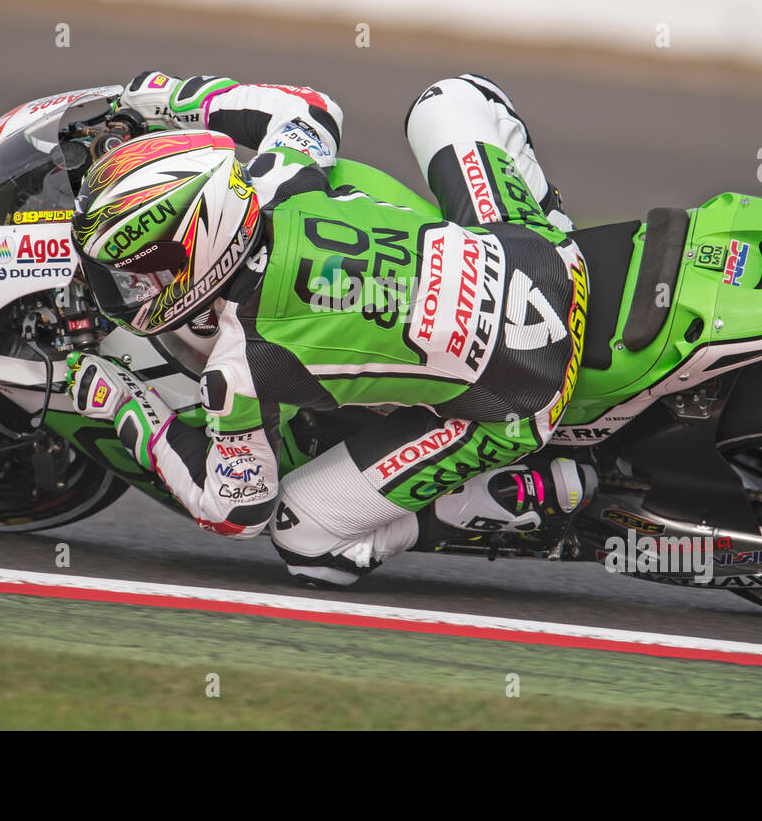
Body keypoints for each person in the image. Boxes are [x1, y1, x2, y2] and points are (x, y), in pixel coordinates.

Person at [65, 71, 592, 584]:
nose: (130, 288)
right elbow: (310, 107)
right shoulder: (281, 183)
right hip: (547, 256)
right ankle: (567, 237)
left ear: (200, 253)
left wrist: (122, 401)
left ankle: (496, 498)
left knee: (304, 539)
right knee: (452, 95)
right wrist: (169, 96)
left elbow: (234, 513)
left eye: (143, 273)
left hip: (526, 400)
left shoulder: (241, 366)